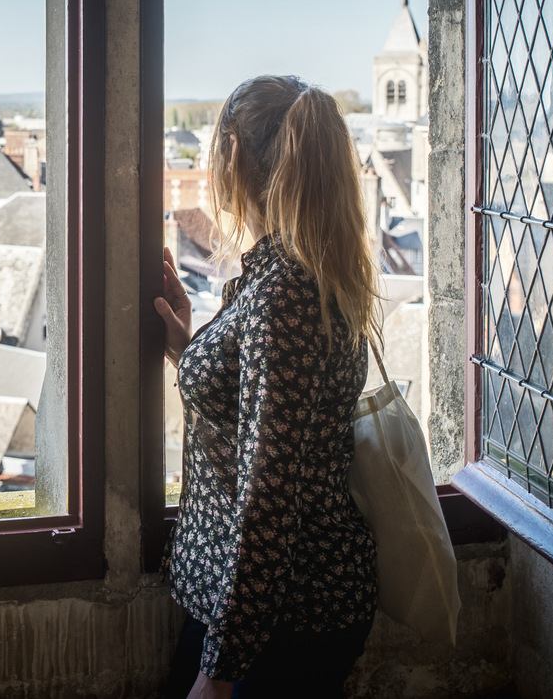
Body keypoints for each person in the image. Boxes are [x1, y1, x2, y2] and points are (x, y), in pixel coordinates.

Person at [156, 75, 381, 699]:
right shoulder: (301, 272)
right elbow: (266, 412)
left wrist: (218, 671)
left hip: (279, 620)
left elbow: (267, 499)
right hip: (271, 609)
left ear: (232, 156)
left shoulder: (283, 293)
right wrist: (191, 348)